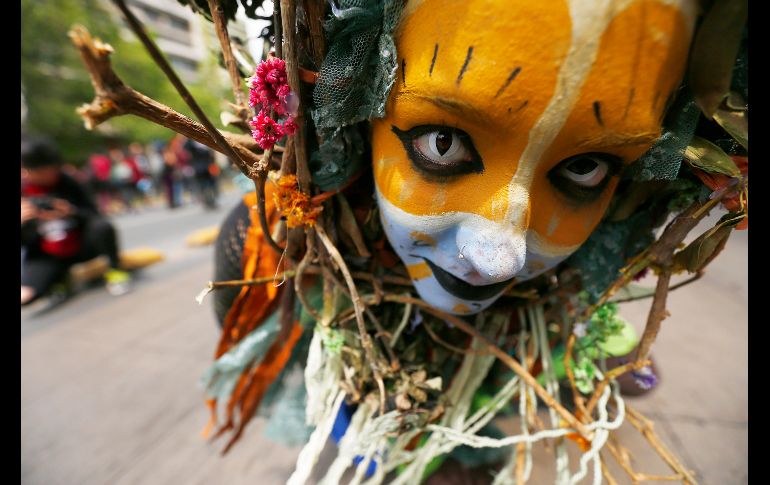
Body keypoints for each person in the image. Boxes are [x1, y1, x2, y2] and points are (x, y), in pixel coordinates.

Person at [21, 136, 132, 305]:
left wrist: (71, 212)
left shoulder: (69, 182)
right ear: (28, 170)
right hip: (48, 253)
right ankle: (59, 280)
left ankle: (115, 271)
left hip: (80, 244)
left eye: (52, 169)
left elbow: (95, 216)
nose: (50, 175)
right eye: (42, 172)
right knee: (26, 296)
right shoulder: (24, 192)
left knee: (103, 227)